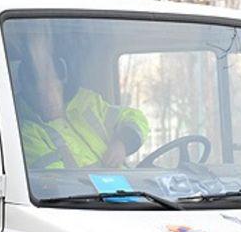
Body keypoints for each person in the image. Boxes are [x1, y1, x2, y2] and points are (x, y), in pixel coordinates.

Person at [14, 26, 149, 170]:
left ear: (63, 85)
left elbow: (136, 118)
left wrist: (123, 142)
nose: (51, 98)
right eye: (42, 93)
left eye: (55, 88)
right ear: (28, 94)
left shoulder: (87, 103)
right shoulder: (26, 134)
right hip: (86, 186)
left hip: (123, 183)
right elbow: (55, 179)